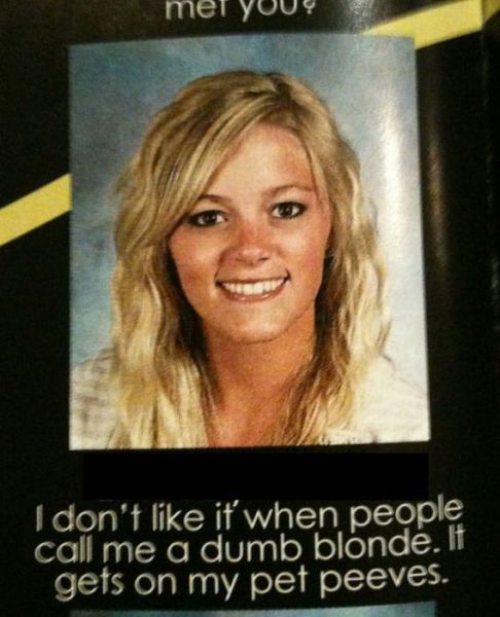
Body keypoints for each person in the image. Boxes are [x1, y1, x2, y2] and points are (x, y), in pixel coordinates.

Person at [71, 70, 428, 449]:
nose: (249, 248)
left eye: (286, 209)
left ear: (334, 225)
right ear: (164, 242)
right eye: (209, 217)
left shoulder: (403, 428)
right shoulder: (82, 408)